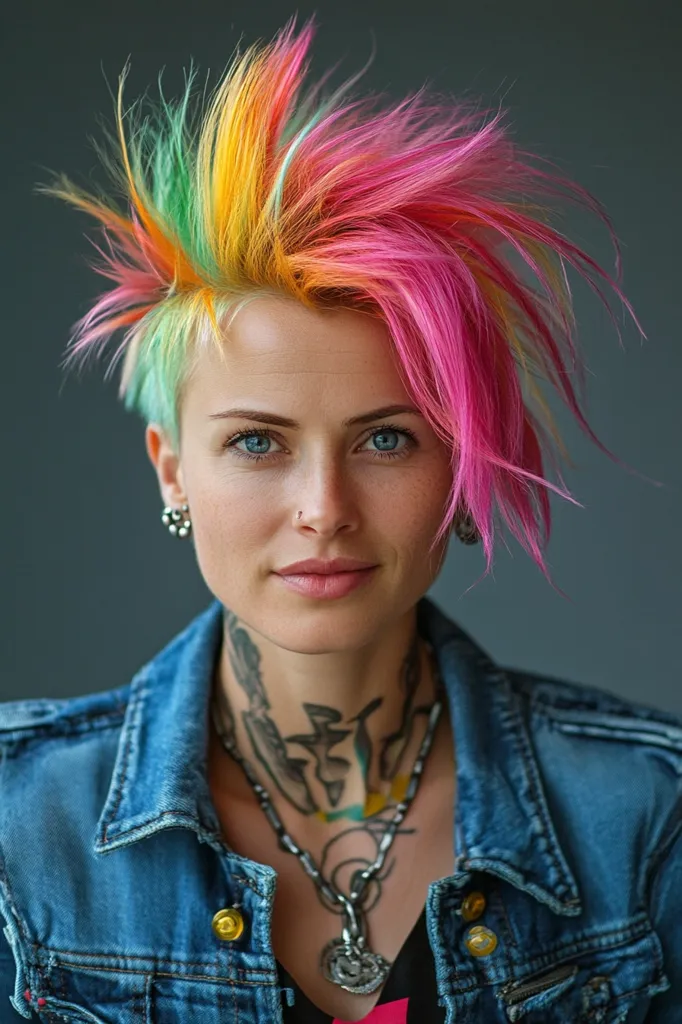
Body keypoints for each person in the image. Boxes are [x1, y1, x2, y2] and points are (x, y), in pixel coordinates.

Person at [1, 14, 680, 1024]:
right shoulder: (16, 829)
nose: (323, 510)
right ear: (172, 472)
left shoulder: (648, 818)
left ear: (463, 465)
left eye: (387, 439)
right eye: (256, 442)